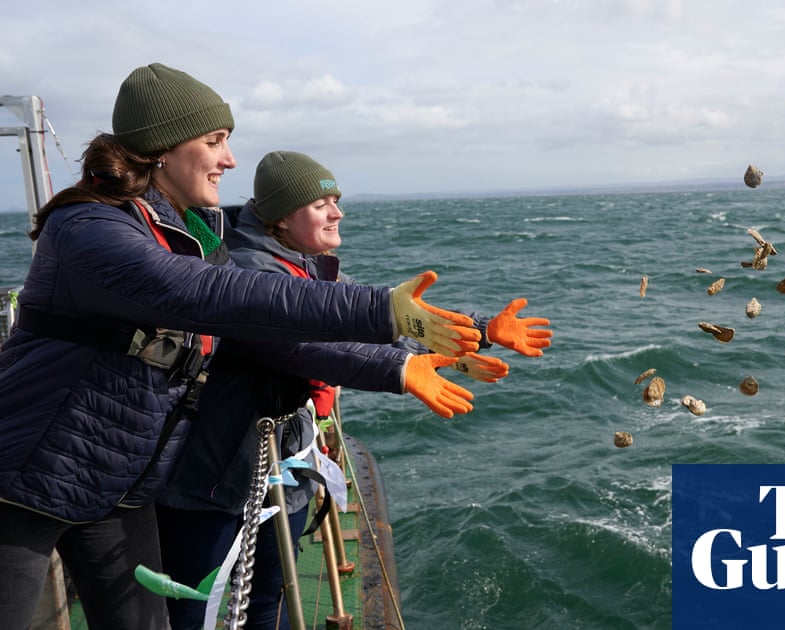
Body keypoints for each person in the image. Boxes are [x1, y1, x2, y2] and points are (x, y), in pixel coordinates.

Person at [0, 63, 486, 630]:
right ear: (161, 149)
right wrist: (382, 311)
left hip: (120, 480)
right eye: (215, 142)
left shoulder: (192, 236)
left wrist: (422, 352)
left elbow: (280, 333)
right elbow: (206, 292)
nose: (230, 160)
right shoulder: (89, 229)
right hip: (18, 476)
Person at [155, 150, 553, 629]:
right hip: (216, 474)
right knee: (191, 608)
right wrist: (402, 370)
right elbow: (300, 346)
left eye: (336, 200)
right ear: (282, 215)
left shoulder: (308, 265)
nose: (337, 212)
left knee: (272, 598)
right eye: (321, 203)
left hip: (281, 465)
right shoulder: (246, 271)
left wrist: (482, 330)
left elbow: (381, 324)